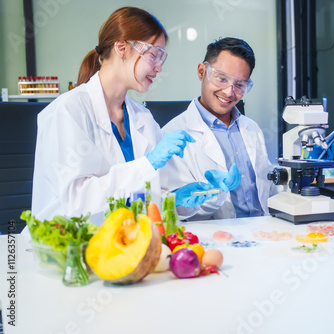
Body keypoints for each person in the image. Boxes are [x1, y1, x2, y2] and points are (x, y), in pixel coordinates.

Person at [31, 7, 216, 224]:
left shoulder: (143, 119)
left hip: (126, 244)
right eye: (154, 55)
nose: (159, 68)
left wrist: (177, 199)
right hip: (70, 248)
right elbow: (77, 200)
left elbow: (150, 194)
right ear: (121, 48)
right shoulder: (67, 111)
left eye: (162, 58)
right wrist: (147, 163)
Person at [162, 37, 279, 220]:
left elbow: (268, 189)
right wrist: (211, 198)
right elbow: (176, 213)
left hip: (262, 232)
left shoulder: (252, 128)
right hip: (216, 239)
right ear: (202, 71)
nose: (229, 92)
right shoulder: (172, 135)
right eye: (221, 78)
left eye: (240, 85)